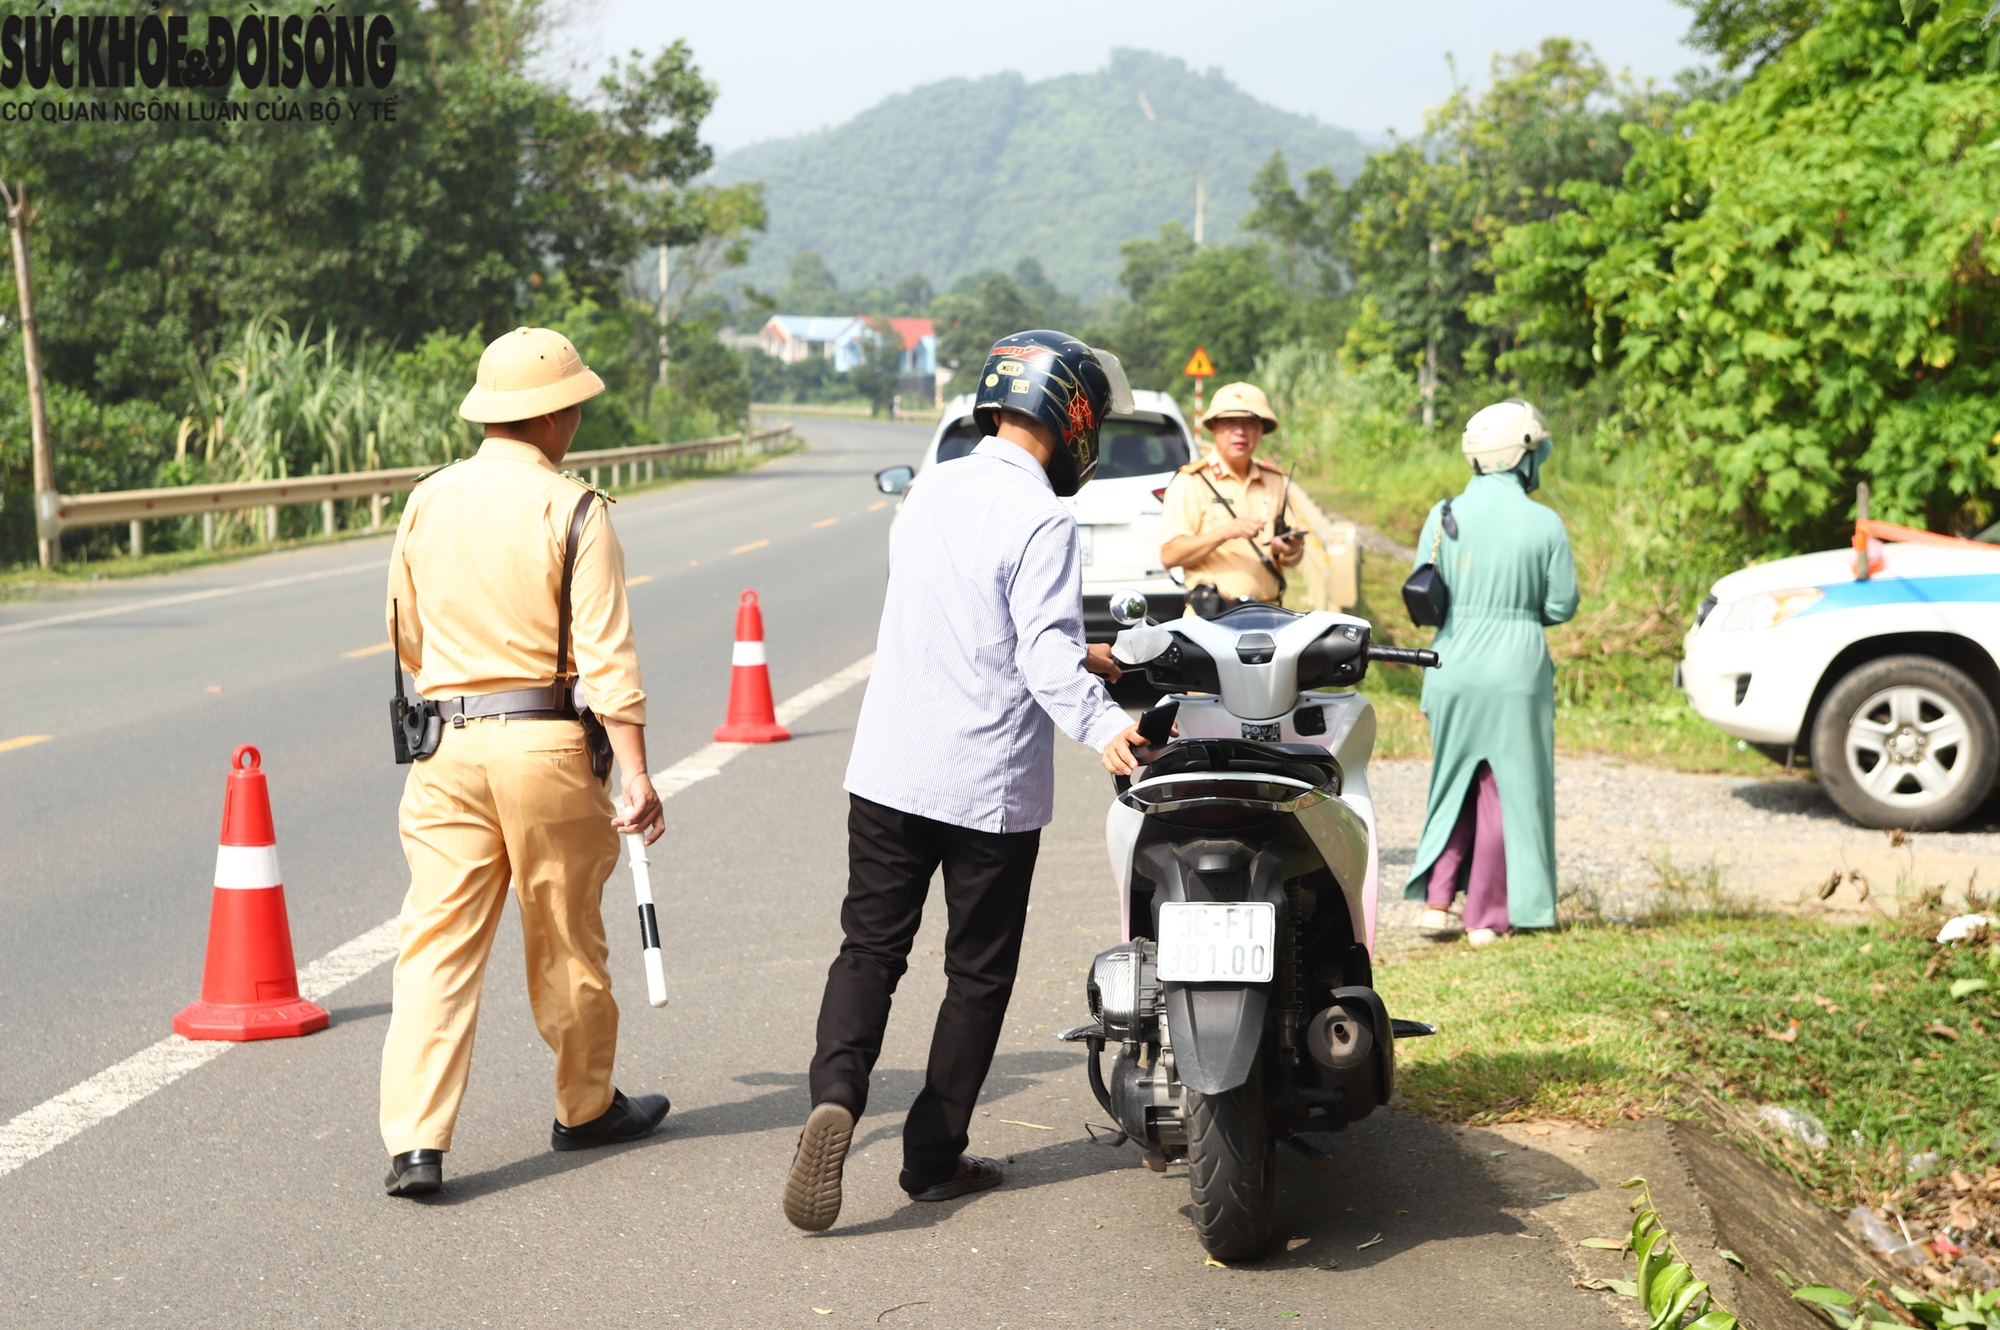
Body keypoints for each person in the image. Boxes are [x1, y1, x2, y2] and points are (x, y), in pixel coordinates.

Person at [783, 329, 1152, 1233]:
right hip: (986, 786)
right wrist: (1108, 726)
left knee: (869, 950)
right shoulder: (1045, 518)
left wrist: (1078, 654)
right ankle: (931, 1159)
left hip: (891, 767)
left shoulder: (932, 489)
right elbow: (1038, 654)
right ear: (1070, 418)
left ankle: (836, 1092)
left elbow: (958, 612)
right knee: (976, 976)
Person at [378, 327, 670, 1198]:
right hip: (544, 744)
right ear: (553, 417)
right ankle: (585, 1107)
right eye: (573, 404)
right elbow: (609, 661)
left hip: (446, 745)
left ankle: (416, 1144)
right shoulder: (576, 509)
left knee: (434, 943)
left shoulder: (427, 499)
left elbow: (404, 626)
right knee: (567, 937)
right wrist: (636, 773)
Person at [1404, 399, 1579, 946]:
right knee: (1507, 789)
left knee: (1452, 781)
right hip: (1516, 665)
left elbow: (1425, 588)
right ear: (1522, 454)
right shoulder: (1545, 523)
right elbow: (1561, 605)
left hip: (1452, 661)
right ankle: (1487, 913)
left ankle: (1437, 904)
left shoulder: (1444, 512)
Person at [1159, 381, 1310, 614]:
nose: (1240, 431)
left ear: (1261, 430)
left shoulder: (1275, 481)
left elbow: (1291, 554)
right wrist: (1227, 531)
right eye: (1230, 423)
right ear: (1214, 428)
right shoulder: (1191, 481)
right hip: (1211, 619)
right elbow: (1170, 555)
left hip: (1269, 614)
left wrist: (1289, 548)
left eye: (1250, 424)